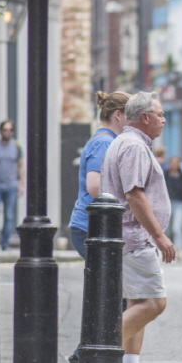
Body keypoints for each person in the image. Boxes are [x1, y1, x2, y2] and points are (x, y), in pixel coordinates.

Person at [100, 91, 174, 363]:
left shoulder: (128, 142)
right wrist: (159, 236)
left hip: (128, 238)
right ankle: (92, 349)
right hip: (135, 237)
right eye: (160, 114)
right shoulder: (133, 146)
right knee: (155, 303)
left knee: (137, 303)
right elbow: (134, 195)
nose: (164, 120)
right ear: (144, 118)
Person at [69, 91, 129, 258]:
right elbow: (95, 186)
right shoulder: (104, 142)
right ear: (118, 115)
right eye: (130, 116)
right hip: (91, 226)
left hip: (91, 225)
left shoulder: (105, 139)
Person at [0, 120, 24, 250]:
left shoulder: (16, 146)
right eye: (5, 130)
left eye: (10, 130)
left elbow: (21, 166)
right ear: (0, 131)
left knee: (9, 216)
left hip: (11, 185)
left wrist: (21, 184)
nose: (8, 132)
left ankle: (5, 243)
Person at [161, 150, 182, 255]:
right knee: (167, 229)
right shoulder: (164, 175)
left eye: (176, 163)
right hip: (166, 205)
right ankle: (167, 250)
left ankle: (178, 250)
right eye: (172, 162)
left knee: (177, 228)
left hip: (179, 204)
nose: (174, 165)